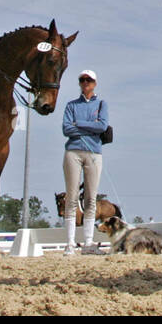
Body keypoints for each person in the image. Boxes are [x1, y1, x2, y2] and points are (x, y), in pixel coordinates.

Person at [62, 69, 108, 253]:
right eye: (82, 80)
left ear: (95, 83)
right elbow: (66, 129)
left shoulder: (102, 104)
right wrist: (90, 127)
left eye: (89, 80)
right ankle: (70, 243)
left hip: (94, 153)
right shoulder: (71, 105)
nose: (85, 83)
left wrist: (78, 124)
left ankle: (88, 242)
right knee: (71, 197)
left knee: (91, 198)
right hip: (73, 152)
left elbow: (102, 126)